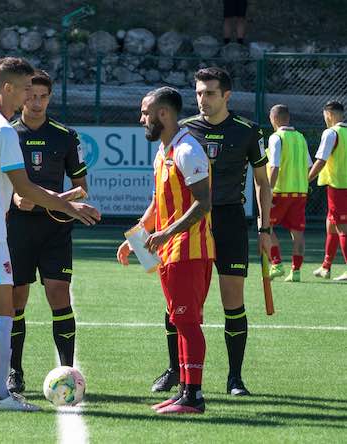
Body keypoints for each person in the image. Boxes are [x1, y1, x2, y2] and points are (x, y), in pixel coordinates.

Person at [0, 57, 100, 412]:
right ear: (9, 88)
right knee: (3, 313)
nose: (31, 96)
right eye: (26, 88)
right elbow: (26, 189)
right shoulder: (3, 130)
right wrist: (70, 207)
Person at [151, 67, 272, 396]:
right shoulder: (185, 130)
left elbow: (263, 183)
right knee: (176, 302)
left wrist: (265, 228)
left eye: (210, 93)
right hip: (190, 225)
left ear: (226, 96)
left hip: (230, 221)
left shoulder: (248, 131)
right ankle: (175, 370)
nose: (202, 99)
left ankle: (235, 378)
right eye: (199, 93)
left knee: (233, 300)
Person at [117, 87, 214, 414]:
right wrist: (136, 238)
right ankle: (185, 391)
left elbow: (204, 202)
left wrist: (166, 232)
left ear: (164, 115)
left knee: (187, 322)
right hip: (171, 250)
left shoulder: (187, 150)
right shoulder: (164, 151)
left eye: (146, 113)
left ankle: (194, 397)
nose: (141, 118)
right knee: (180, 320)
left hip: (190, 249)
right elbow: (160, 202)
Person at [6, 70, 88, 394]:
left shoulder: (66, 136)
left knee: (58, 293)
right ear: (22, 96)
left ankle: (67, 370)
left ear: (50, 98)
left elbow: (81, 190)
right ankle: (15, 371)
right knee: (16, 299)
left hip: (56, 229)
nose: (36, 102)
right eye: (31, 96)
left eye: (43, 97)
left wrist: (46, 203)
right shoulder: (7, 134)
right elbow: (0, 185)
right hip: (17, 229)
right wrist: (14, 199)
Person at [266, 105, 312, 282]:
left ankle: (276, 263)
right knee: (298, 232)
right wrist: (301, 183)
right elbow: (309, 165)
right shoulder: (300, 137)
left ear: (273, 119)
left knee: (265, 225)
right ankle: (296, 271)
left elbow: (274, 166)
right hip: (300, 192)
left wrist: (269, 191)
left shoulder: (276, 137)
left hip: (280, 191)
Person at [308, 101, 347, 282]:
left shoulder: (331, 133)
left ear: (329, 114)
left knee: (341, 228)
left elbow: (321, 160)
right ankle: (326, 266)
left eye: (325, 116)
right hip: (338, 187)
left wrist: (305, 179)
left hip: (339, 187)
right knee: (331, 224)